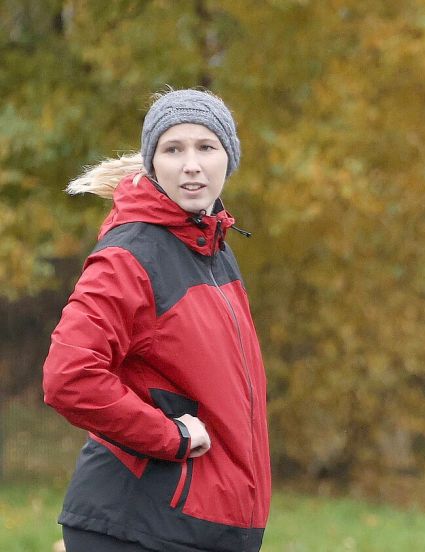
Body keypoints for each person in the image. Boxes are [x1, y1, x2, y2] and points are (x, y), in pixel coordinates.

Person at [42, 89, 271, 552]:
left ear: (229, 158)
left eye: (206, 147)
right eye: (173, 149)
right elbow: (69, 377)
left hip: (202, 529)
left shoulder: (213, 249)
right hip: (140, 526)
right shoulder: (130, 255)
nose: (192, 164)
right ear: (152, 163)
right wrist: (172, 436)